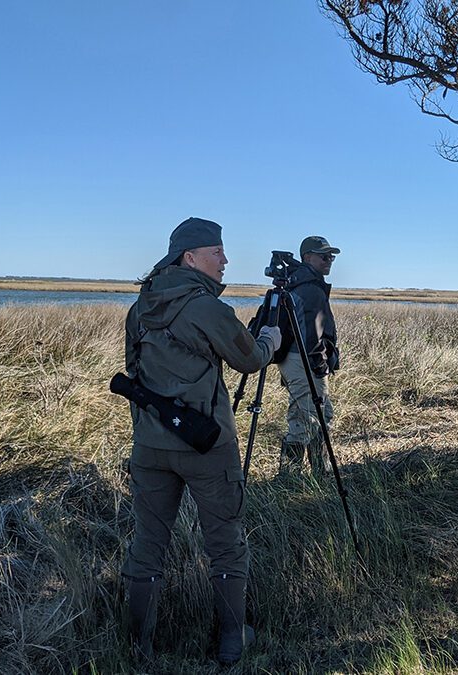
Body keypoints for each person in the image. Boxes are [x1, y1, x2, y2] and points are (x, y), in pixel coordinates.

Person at [121, 217, 282, 665]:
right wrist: (269, 338)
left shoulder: (141, 307)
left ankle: (138, 647)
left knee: (147, 544)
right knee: (225, 542)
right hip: (207, 445)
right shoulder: (205, 307)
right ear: (190, 258)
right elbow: (249, 360)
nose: (226, 260)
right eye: (218, 252)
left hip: (151, 446)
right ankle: (233, 639)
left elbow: (135, 369)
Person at [277, 236, 341, 475]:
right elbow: (310, 335)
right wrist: (320, 364)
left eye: (331, 256)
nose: (329, 260)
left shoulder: (300, 282)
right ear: (307, 257)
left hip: (300, 360)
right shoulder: (309, 287)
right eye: (323, 256)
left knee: (322, 415)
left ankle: (320, 471)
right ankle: (289, 479)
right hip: (303, 360)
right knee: (304, 419)